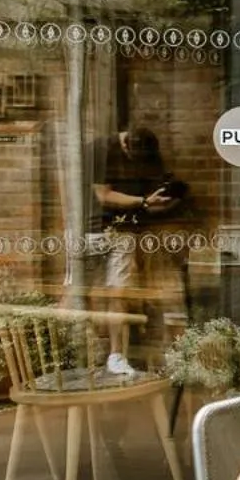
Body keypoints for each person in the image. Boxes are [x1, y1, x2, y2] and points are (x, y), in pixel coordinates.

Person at [91, 125, 185, 372]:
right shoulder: (102, 150)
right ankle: (101, 353)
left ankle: (121, 355)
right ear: (125, 146)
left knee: (125, 293)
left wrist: (161, 200)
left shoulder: (147, 153)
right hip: (98, 230)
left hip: (134, 232)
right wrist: (143, 202)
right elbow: (103, 194)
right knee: (98, 292)